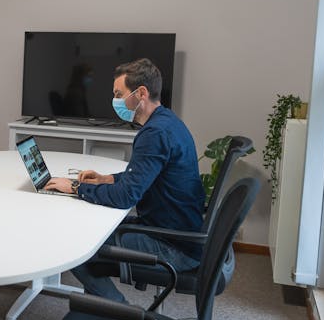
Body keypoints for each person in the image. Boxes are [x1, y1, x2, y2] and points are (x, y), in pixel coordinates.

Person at [44, 58, 205, 304]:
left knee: (74, 243)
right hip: (177, 231)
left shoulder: (154, 133)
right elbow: (146, 176)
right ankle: (100, 312)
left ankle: (120, 313)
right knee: (92, 228)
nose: (116, 101)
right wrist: (107, 178)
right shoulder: (168, 122)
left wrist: (75, 187)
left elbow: (125, 198)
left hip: (172, 245)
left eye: (119, 94)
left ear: (141, 93)